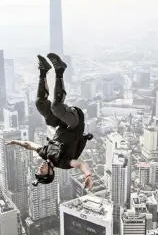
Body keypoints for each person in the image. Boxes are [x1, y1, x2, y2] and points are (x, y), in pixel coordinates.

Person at [7, 53, 94, 190]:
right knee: (56, 107)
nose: (40, 167)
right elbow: (81, 164)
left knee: (40, 104)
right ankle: (60, 70)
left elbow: (29, 145)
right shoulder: (64, 163)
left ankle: (43, 71)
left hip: (60, 124)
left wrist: (16, 142)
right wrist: (88, 175)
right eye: (42, 171)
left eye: (38, 170)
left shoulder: (45, 154)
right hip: (74, 124)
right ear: (51, 173)